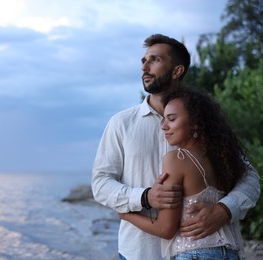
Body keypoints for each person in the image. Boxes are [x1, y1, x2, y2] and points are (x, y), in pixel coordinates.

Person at [91, 34, 260, 260]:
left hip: (204, 248)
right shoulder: (121, 124)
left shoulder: (204, 123)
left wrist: (225, 210)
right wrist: (144, 197)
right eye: (144, 61)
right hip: (141, 252)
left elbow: (250, 177)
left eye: (155, 59)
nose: (145, 67)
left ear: (177, 70)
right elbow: (100, 184)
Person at [120, 86, 249, 259]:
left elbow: (165, 229)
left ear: (195, 123)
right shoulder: (223, 157)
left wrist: (126, 214)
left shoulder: (175, 159)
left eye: (171, 119)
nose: (164, 126)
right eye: (164, 119)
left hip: (195, 254)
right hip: (230, 253)